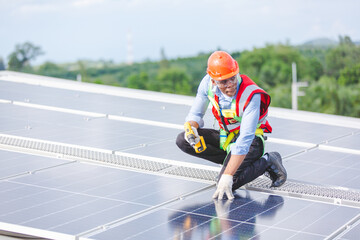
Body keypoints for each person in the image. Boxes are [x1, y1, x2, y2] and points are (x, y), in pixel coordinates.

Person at [176, 51, 287, 200]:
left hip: (251, 142)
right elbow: (195, 114)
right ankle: (236, 164)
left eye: (232, 78)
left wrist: (228, 175)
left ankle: (267, 161)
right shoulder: (207, 84)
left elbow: (245, 140)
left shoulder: (251, 95)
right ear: (213, 80)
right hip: (227, 138)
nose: (230, 85)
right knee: (183, 140)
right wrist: (192, 129)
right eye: (223, 82)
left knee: (228, 183)